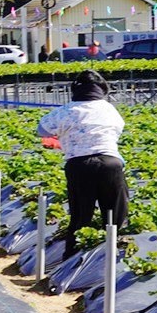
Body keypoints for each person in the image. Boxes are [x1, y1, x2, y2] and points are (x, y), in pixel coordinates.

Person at [35, 70, 128, 252]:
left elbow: (42, 130)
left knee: (80, 215)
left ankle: (72, 258)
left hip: (79, 165)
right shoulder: (109, 109)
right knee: (114, 214)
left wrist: (64, 134)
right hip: (111, 163)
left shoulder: (65, 111)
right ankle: (110, 253)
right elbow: (118, 129)